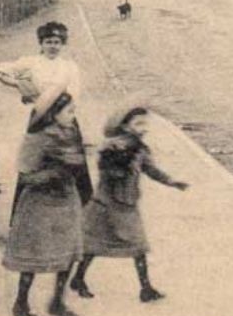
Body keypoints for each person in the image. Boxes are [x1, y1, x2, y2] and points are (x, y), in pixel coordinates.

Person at [68, 107, 189, 304]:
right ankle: (79, 278)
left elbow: (150, 169)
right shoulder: (111, 147)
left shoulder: (140, 148)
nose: (144, 128)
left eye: (145, 123)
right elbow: (107, 172)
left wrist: (171, 182)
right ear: (124, 126)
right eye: (138, 123)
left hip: (127, 204)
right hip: (106, 205)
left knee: (138, 246)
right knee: (94, 246)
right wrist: (120, 164)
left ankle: (145, 288)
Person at [3, 91, 85, 316]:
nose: (73, 116)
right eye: (69, 111)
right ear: (53, 113)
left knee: (68, 253)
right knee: (33, 255)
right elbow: (26, 176)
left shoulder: (71, 134)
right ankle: (20, 303)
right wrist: (52, 174)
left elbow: (79, 166)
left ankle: (57, 302)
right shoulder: (37, 138)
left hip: (67, 201)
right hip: (40, 205)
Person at [0, 21, 92, 204]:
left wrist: (62, 108)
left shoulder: (69, 66)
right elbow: (0, 71)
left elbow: (74, 93)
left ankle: (77, 206)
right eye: (48, 42)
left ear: (62, 44)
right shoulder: (31, 62)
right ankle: (30, 207)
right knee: (35, 159)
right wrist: (20, 85)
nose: (52, 46)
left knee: (70, 158)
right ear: (41, 43)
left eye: (56, 42)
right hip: (40, 116)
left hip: (64, 116)